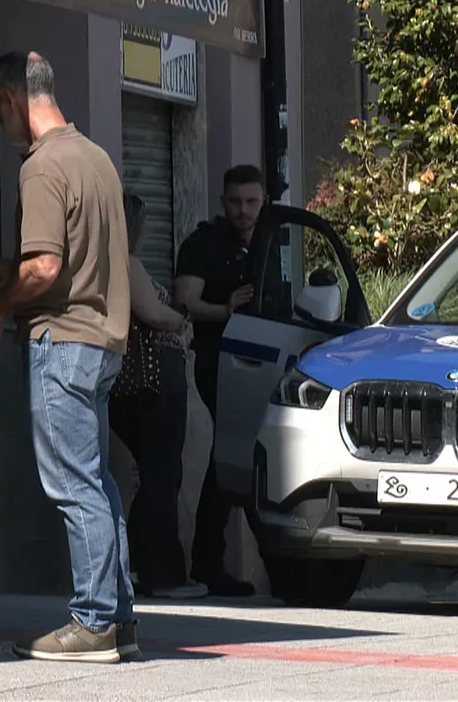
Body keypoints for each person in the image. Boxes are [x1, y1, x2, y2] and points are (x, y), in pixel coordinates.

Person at [0, 50, 136, 663]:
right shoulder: (95, 158)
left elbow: (46, 268)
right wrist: (6, 278)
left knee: (73, 486)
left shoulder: (41, 167)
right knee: (99, 484)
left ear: (12, 99)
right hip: (102, 342)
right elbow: (70, 262)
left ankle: (92, 623)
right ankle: (119, 618)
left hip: (62, 344)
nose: (0, 125)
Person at [109, 192, 208, 601]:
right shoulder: (126, 263)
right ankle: (164, 573)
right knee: (161, 476)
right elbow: (152, 313)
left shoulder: (102, 266)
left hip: (133, 386)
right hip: (153, 386)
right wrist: (181, 318)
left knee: (155, 476)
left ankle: (141, 563)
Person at [173, 164, 265, 597]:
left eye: (251, 202)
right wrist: (226, 309)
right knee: (231, 454)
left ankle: (220, 558)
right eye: (235, 201)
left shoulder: (271, 242)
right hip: (219, 361)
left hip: (265, 359)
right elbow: (186, 302)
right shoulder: (203, 244)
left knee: (241, 456)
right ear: (222, 201)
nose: (243, 211)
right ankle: (210, 559)